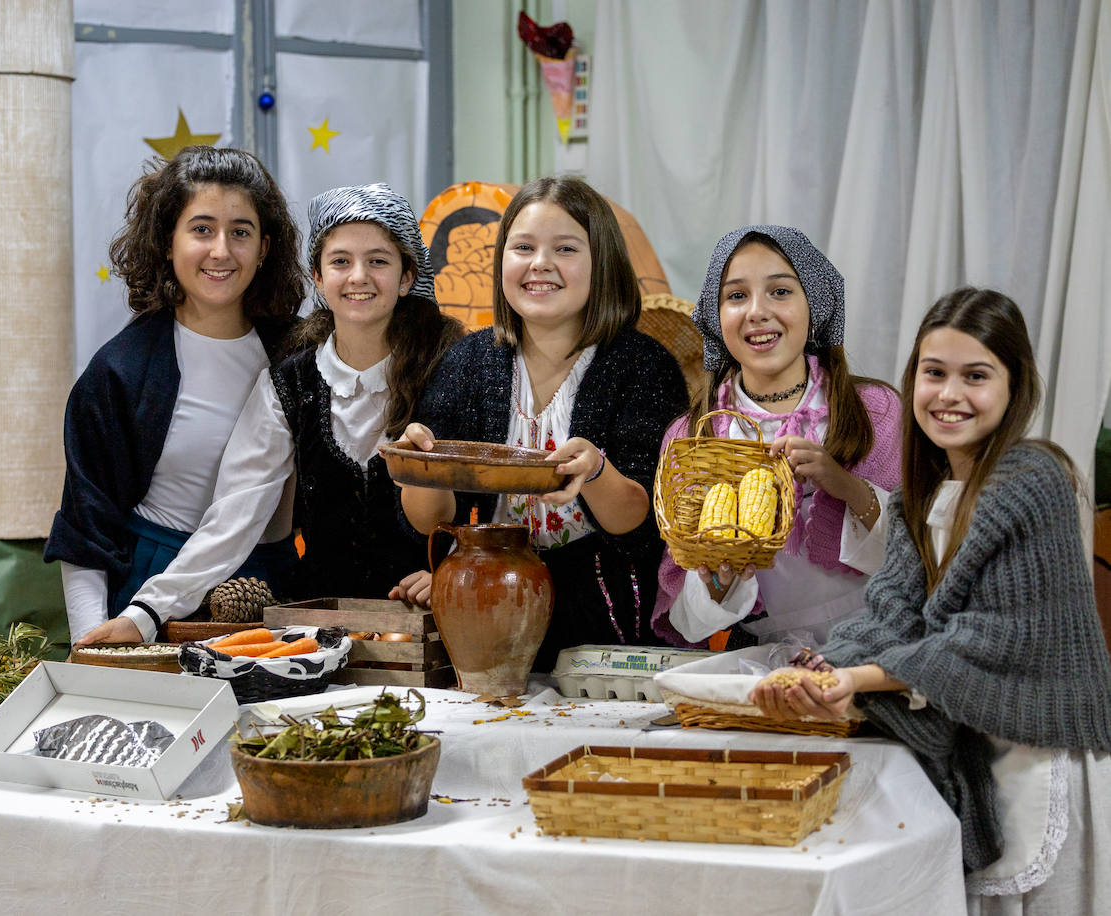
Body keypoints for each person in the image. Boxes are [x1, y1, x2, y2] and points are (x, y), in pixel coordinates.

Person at [749, 288, 1111, 910]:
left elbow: (989, 640)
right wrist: (826, 673)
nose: (949, 395)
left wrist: (855, 678)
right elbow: (890, 615)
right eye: (933, 372)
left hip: (1038, 754)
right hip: (974, 739)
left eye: (976, 376)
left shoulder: (1035, 479)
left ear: (1015, 384)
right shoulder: (918, 497)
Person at [103, 183, 464, 638]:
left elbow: (494, 504)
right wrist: (146, 615)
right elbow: (235, 514)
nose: (358, 277)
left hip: (436, 628)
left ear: (407, 277)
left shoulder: (452, 369)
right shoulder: (287, 384)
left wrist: (456, 575)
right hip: (317, 634)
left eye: (378, 260)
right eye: (340, 261)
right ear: (317, 277)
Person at [398, 176, 687, 671]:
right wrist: (422, 466)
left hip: (608, 630)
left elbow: (643, 522)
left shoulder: (643, 364)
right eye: (523, 247)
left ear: (604, 264)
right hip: (486, 617)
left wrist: (596, 473)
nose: (540, 264)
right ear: (501, 262)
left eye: (566, 249)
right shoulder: (468, 360)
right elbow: (430, 522)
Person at [45, 147, 303, 644]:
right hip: (152, 593)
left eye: (241, 232)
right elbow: (87, 528)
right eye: (202, 229)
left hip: (274, 589)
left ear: (265, 247)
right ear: (167, 241)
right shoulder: (119, 370)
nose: (221, 250)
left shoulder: (300, 355)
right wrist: (90, 646)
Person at [650, 225, 903, 649]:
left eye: (780, 292)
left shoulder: (874, 411)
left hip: (877, 646)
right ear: (716, 317)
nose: (756, 311)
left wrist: (844, 486)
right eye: (736, 296)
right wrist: (719, 580)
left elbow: (920, 556)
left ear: (815, 305)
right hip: (765, 659)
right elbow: (690, 622)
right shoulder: (693, 439)